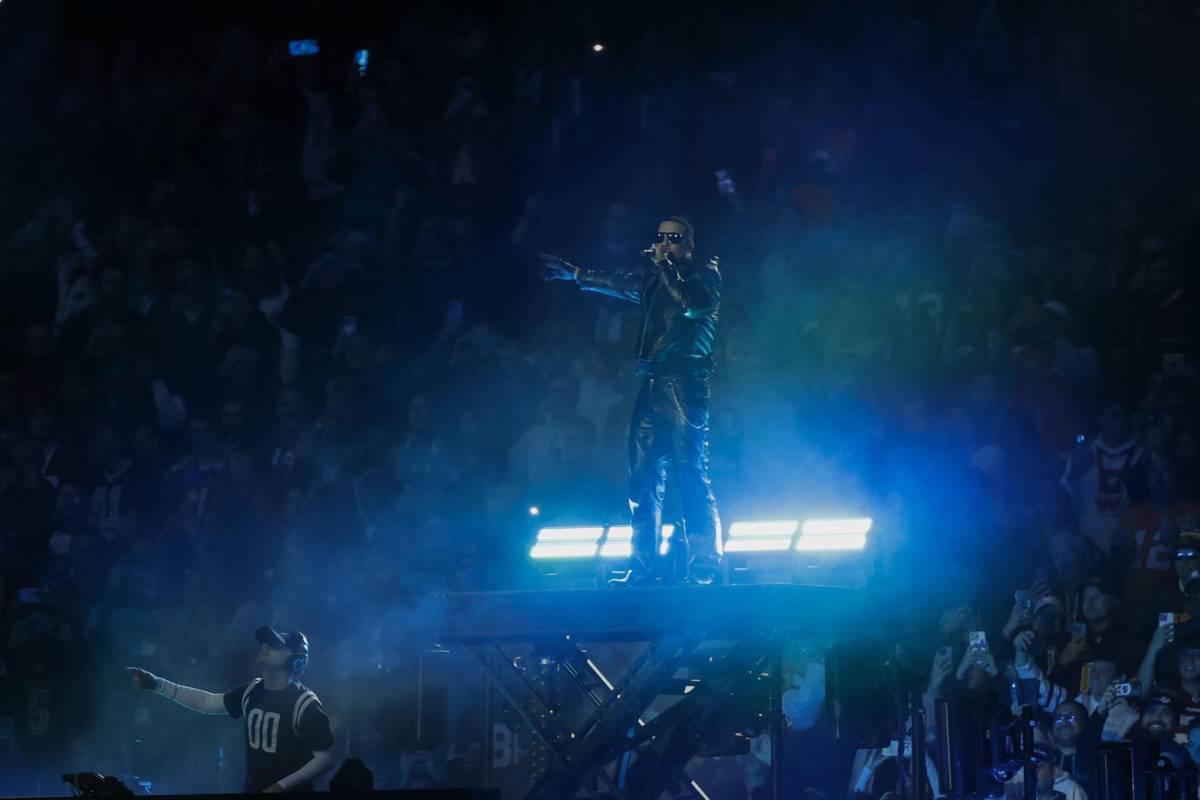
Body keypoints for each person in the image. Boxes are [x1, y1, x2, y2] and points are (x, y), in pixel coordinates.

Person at [540, 216, 723, 585]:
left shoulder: (706, 277)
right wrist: (576, 274)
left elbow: (689, 304)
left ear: (689, 242)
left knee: (690, 473)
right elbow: (619, 283)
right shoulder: (655, 281)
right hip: (653, 383)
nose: (665, 242)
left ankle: (705, 561)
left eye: (673, 237)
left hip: (685, 385)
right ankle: (642, 567)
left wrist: (663, 266)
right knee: (642, 478)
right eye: (660, 236)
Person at [128, 625, 335, 793]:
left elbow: (325, 758)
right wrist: (157, 684)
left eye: (274, 645)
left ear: (297, 661)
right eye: (265, 642)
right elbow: (209, 703)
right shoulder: (253, 690)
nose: (264, 646)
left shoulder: (304, 703)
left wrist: (281, 786)